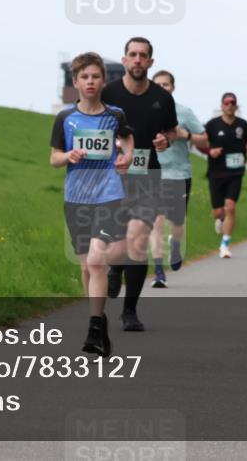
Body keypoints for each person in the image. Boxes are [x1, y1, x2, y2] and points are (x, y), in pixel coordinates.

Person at [50, 52, 134, 356]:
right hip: (76, 199)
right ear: (75, 82)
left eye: (95, 76)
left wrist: (126, 155)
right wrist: (68, 157)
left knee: (97, 260)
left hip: (109, 194)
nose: (90, 82)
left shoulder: (115, 114)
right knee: (87, 266)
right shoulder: (65, 118)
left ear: (103, 80)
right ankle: (96, 322)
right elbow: (54, 158)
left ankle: (95, 328)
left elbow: (127, 139)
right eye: (84, 77)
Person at [101, 38, 178, 331]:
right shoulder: (109, 93)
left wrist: (165, 140)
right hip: (112, 178)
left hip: (148, 177)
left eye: (142, 56)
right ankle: (115, 267)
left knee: (137, 239)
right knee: (117, 248)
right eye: (132, 55)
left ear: (150, 63)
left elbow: (170, 131)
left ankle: (129, 312)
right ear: (124, 60)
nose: (137, 60)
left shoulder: (162, 97)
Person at [151, 70, 207, 286]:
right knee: (155, 222)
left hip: (179, 174)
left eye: (166, 85)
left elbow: (204, 140)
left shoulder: (184, 112)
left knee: (177, 222)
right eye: (158, 85)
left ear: (173, 88)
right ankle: (158, 272)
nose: (163, 88)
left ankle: (175, 244)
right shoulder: (147, 110)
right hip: (154, 173)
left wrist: (187, 135)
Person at [204, 93, 247, 258]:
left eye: (233, 103)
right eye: (227, 103)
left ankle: (224, 245)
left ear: (236, 106)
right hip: (216, 173)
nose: (230, 105)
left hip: (235, 172)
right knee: (218, 212)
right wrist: (210, 151)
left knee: (230, 206)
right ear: (222, 105)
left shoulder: (243, 125)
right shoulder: (212, 125)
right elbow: (201, 144)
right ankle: (221, 220)